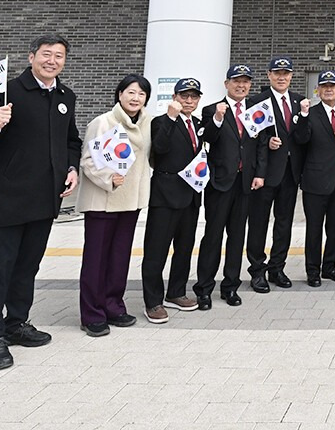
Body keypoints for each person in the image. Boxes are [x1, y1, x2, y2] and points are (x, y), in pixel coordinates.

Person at [0, 34, 81, 371]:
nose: (52, 61)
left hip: (46, 199)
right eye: (46, 54)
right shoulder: (7, 92)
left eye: (59, 56)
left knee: (28, 266)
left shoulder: (66, 96)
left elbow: (71, 140)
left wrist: (72, 168)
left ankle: (16, 323)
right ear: (31, 57)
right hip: (10, 199)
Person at [77, 74, 152, 337]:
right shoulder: (103, 122)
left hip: (131, 202)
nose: (135, 98)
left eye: (141, 94)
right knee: (96, 259)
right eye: (130, 92)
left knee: (119, 257)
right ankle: (92, 314)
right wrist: (109, 178)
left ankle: (113, 306)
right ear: (119, 94)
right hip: (103, 201)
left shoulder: (148, 124)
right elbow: (88, 160)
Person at [193, 64, 257, 309]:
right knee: (213, 236)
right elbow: (208, 137)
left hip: (245, 182)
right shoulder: (212, 110)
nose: (241, 85)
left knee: (237, 237)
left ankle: (230, 287)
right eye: (236, 81)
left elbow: (260, 144)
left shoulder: (255, 110)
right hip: (220, 182)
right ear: (226, 84)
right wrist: (218, 119)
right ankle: (204, 288)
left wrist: (260, 174)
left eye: (245, 81)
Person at [142, 78, 205, 323]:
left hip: (191, 195)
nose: (189, 101)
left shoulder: (197, 123)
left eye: (194, 96)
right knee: (156, 250)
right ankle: (153, 301)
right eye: (184, 96)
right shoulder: (161, 121)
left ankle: (176, 292)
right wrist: (170, 117)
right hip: (165, 195)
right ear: (174, 97)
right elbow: (159, 148)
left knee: (184, 248)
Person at [248, 56, 305, 293]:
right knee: (259, 223)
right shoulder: (257, 101)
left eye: (286, 73)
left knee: (284, 223)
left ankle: (277, 268)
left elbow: (302, 137)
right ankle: (257, 270)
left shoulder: (299, 101)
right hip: (265, 173)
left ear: (291, 76)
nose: (282, 77)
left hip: (290, 174)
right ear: (269, 75)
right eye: (277, 73)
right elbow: (251, 136)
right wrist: (266, 140)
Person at [293, 70, 335, 287]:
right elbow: (301, 138)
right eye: (324, 86)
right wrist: (303, 115)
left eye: (332, 86)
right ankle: (313, 270)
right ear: (317, 90)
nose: (328, 90)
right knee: (314, 228)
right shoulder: (310, 113)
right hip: (315, 181)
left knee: (334, 228)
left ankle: (330, 266)